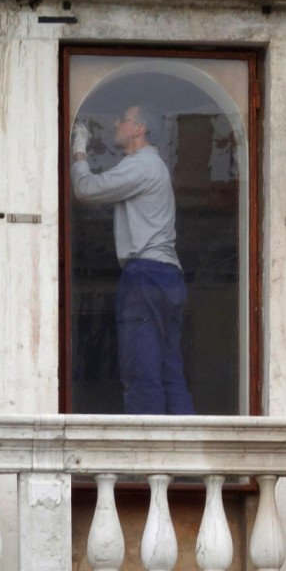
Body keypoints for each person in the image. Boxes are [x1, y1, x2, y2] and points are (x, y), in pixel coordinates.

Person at [70, 105, 196, 416]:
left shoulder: (141, 166)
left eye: (122, 119)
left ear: (139, 128)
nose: (115, 123)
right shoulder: (153, 167)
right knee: (169, 372)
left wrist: (79, 150)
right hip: (168, 276)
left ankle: (148, 456)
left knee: (141, 368)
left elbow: (86, 189)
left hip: (146, 275)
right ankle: (186, 449)